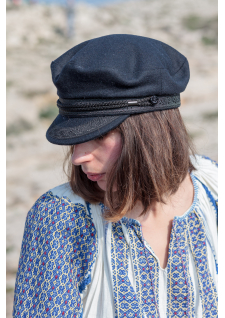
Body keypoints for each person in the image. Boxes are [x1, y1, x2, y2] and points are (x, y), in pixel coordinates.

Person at [13, 34, 218, 318]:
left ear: (151, 131)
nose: (78, 157)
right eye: (76, 139)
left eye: (99, 134)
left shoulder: (214, 188)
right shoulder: (60, 217)